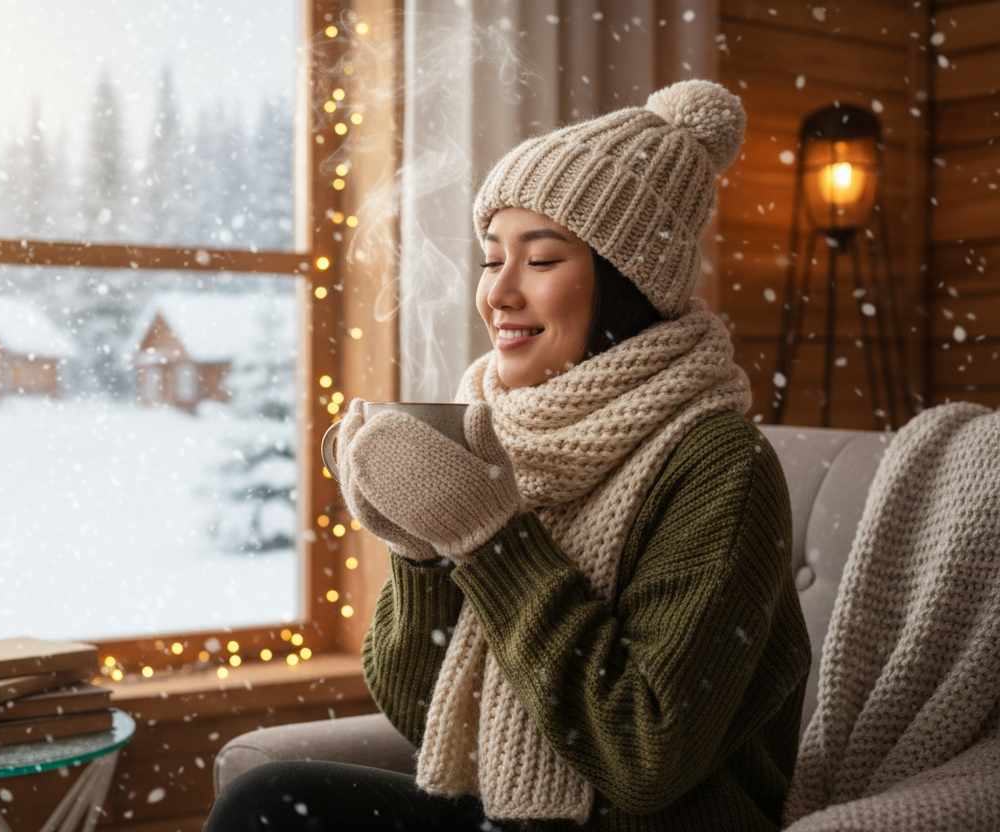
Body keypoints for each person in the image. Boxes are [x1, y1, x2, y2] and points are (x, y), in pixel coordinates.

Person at [206, 79, 811, 832]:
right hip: (503, 815)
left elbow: (643, 755)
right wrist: (421, 549)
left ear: (627, 283)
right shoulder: (498, 434)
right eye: (492, 260)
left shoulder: (721, 465)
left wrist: (492, 541)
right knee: (266, 802)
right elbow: (425, 715)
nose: (499, 294)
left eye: (542, 260)